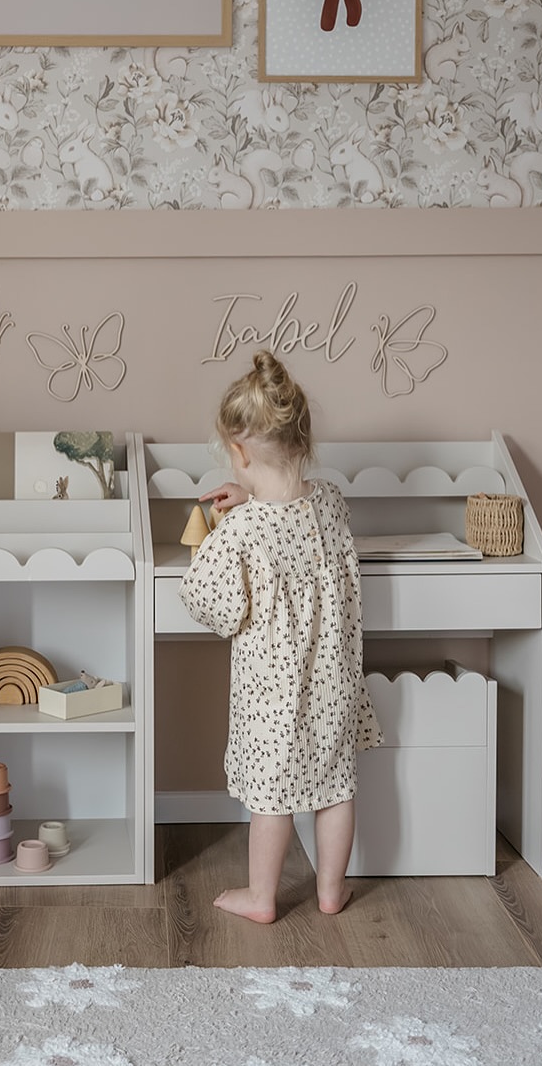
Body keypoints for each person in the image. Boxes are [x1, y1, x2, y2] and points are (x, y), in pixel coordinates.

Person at [180, 349, 381, 923]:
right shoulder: (331, 504)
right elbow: (294, 506)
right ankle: (329, 892)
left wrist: (210, 542)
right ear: (301, 439)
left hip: (272, 692)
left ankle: (262, 898)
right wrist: (254, 495)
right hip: (333, 681)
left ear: (238, 452)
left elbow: (207, 603)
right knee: (335, 787)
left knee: (272, 798)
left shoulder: (242, 529)